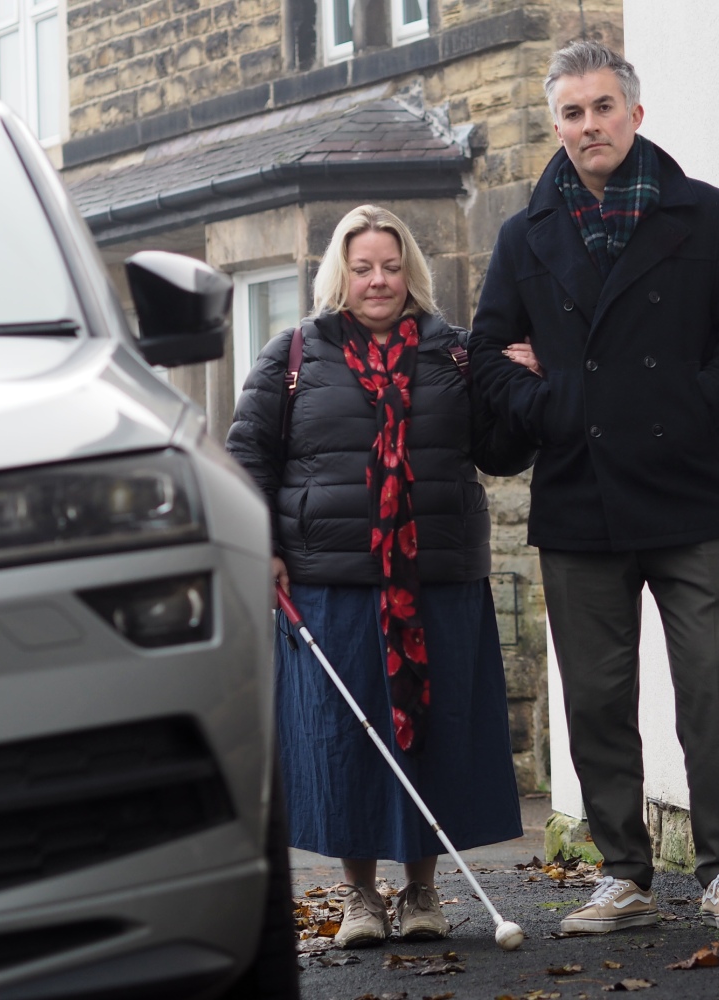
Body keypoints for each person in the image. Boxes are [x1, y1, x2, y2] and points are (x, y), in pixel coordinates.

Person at [470, 40, 719, 933]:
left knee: (710, 688)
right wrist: (553, 403)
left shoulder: (704, 214)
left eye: (603, 107)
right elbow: (486, 354)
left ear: (634, 115)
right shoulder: (524, 236)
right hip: (580, 493)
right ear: (556, 124)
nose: (588, 125)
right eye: (571, 112)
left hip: (691, 491)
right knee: (596, 698)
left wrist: (700, 406)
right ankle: (624, 877)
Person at [226, 205, 532, 949]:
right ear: (341, 272)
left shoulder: (455, 354)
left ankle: (424, 892)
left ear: (411, 273)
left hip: (437, 580)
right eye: (363, 267)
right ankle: (361, 898)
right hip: (331, 583)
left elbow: (498, 453)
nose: (378, 281)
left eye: (391, 267)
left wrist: (521, 392)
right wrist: (262, 543)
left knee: (432, 737)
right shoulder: (292, 354)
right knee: (345, 741)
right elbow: (246, 455)